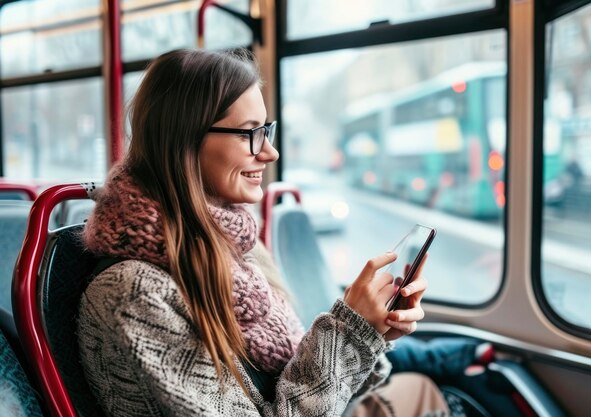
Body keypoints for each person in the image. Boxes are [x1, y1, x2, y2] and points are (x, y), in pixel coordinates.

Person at [77, 49, 453, 417]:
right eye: (249, 133)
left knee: (419, 389)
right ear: (184, 141)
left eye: (266, 130)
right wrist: (350, 335)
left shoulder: (238, 246)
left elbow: (292, 385)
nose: (270, 152)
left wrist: (372, 335)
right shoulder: (133, 293)